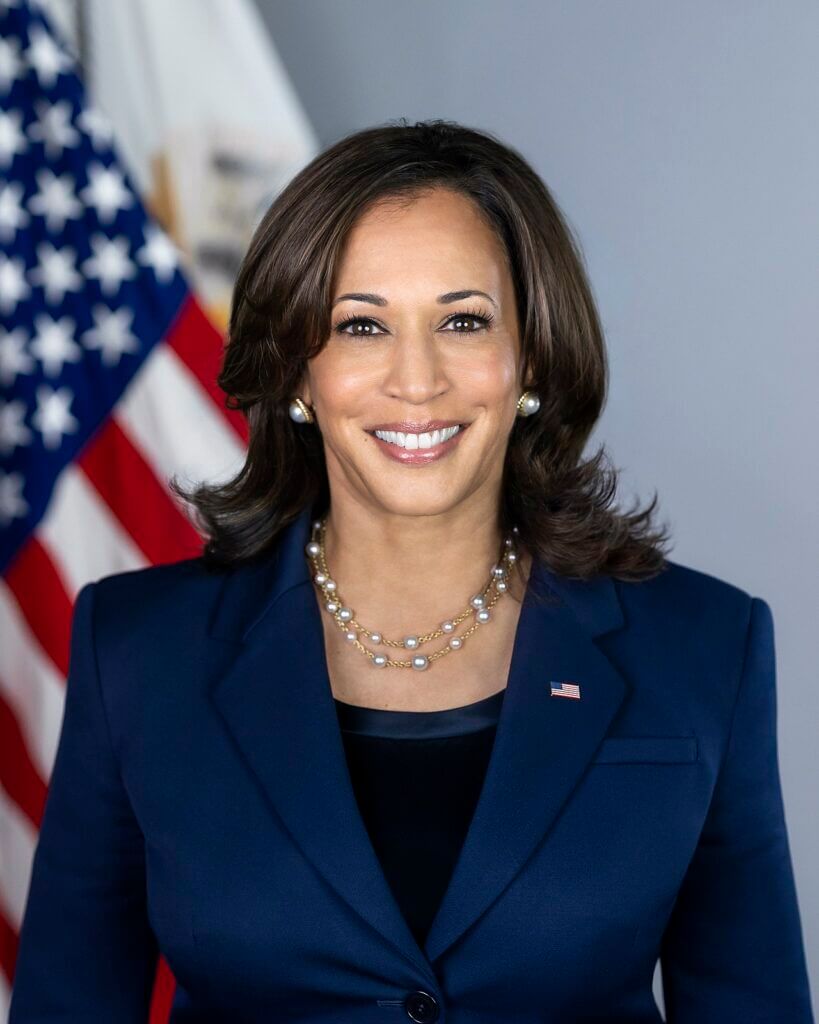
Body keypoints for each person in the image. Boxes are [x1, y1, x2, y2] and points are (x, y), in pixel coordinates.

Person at [10, 119, 814, 1023]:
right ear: (298, 374)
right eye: (361, 326)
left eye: (462, 320)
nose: (416, 379)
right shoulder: (137, 652)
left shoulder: (704, 647)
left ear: (531, 357)